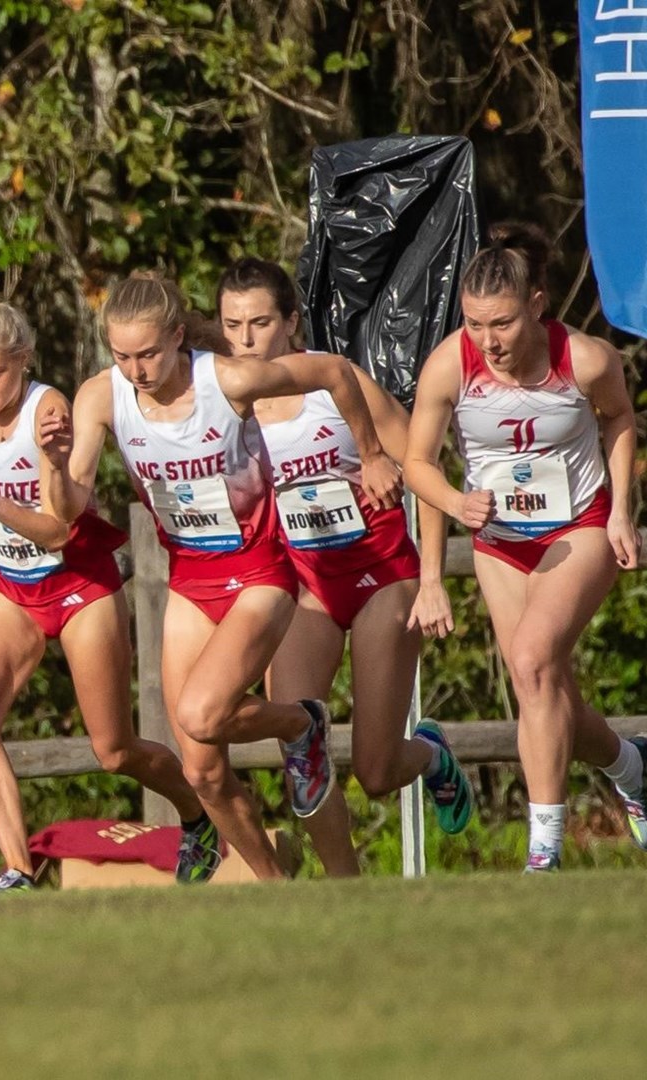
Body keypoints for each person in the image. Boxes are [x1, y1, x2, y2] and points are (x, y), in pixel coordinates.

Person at [67, 274, 401, 880]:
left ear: (176, 337)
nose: (136, 370)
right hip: (191, 580)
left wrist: (374, 452)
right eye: (121, 356)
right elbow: (70, 505)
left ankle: (303, 722)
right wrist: (47, 458)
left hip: (260, 576)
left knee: (199, 714)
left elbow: (332, 373)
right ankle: (275, 890)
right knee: (200, 769)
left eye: (148, 354)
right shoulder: (99, 397)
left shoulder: (229, 380)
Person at [0, 291, 216, 891]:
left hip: (78, 585)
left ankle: (198, 817)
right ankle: (16, 869)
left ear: (25, 360)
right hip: (13, 591)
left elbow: (57, 531)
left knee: (114, 750)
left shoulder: (46, 411)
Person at [216, 259, 474, 876]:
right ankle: (345, 887)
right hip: (304, 588)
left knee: (377, 771)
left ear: (291, 323)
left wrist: (432, 578)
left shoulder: (339, 385)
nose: (247, 340)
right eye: (233, 325)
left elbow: (425, 466)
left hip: (381, 574)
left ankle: (432, 756)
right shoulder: (224, 408)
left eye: (260, 323)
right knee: (300, 750)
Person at [402, 223, 645, 872]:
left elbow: (620, 419)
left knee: (535, 660)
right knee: (542, 684)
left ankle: (543, 852)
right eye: (476, 324)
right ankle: (633, 766)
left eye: (503, 324)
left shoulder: (585, 359)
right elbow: (416, 463)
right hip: (499, 543)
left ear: (537, 303)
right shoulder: (449, 364)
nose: (490, 341)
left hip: (579, 529)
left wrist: (623, 511)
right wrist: (455, 508)